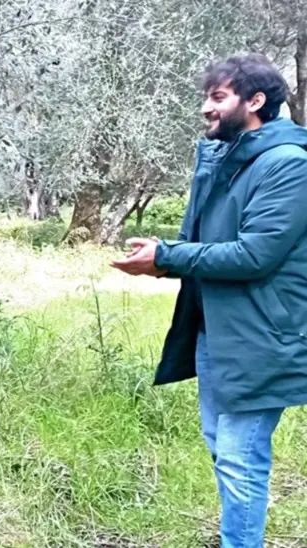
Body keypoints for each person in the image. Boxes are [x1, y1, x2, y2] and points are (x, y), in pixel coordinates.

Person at [113, 53, 307, 547]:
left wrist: (169, 256)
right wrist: (163, 258)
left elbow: (255, 255)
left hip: (261, 338)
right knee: (224, 450)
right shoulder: (227, 162)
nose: (206, 107)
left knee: (241, 460)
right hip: (217, 332)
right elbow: (201, 243)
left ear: (255, 101)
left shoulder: (289, 165)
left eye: (218, 97)